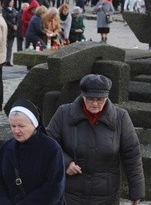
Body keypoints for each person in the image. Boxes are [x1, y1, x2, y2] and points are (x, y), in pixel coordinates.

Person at [46, 74, 144, 205]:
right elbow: (48, 144)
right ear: (82, 95)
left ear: (107, 97)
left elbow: (132, 155)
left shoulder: (121, 117)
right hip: (70, 193)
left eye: (100, 99)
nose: (95, 103)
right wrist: (65, 162)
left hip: (106, 195)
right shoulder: (64, 113)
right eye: (90, 99)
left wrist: (136, 191)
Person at [0, 99, 65, 204]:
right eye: (13, 126)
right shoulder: (7, 148)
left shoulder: (51, 149)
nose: (16, 131)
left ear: (34, 124)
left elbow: (53, 188)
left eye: (21, 126)